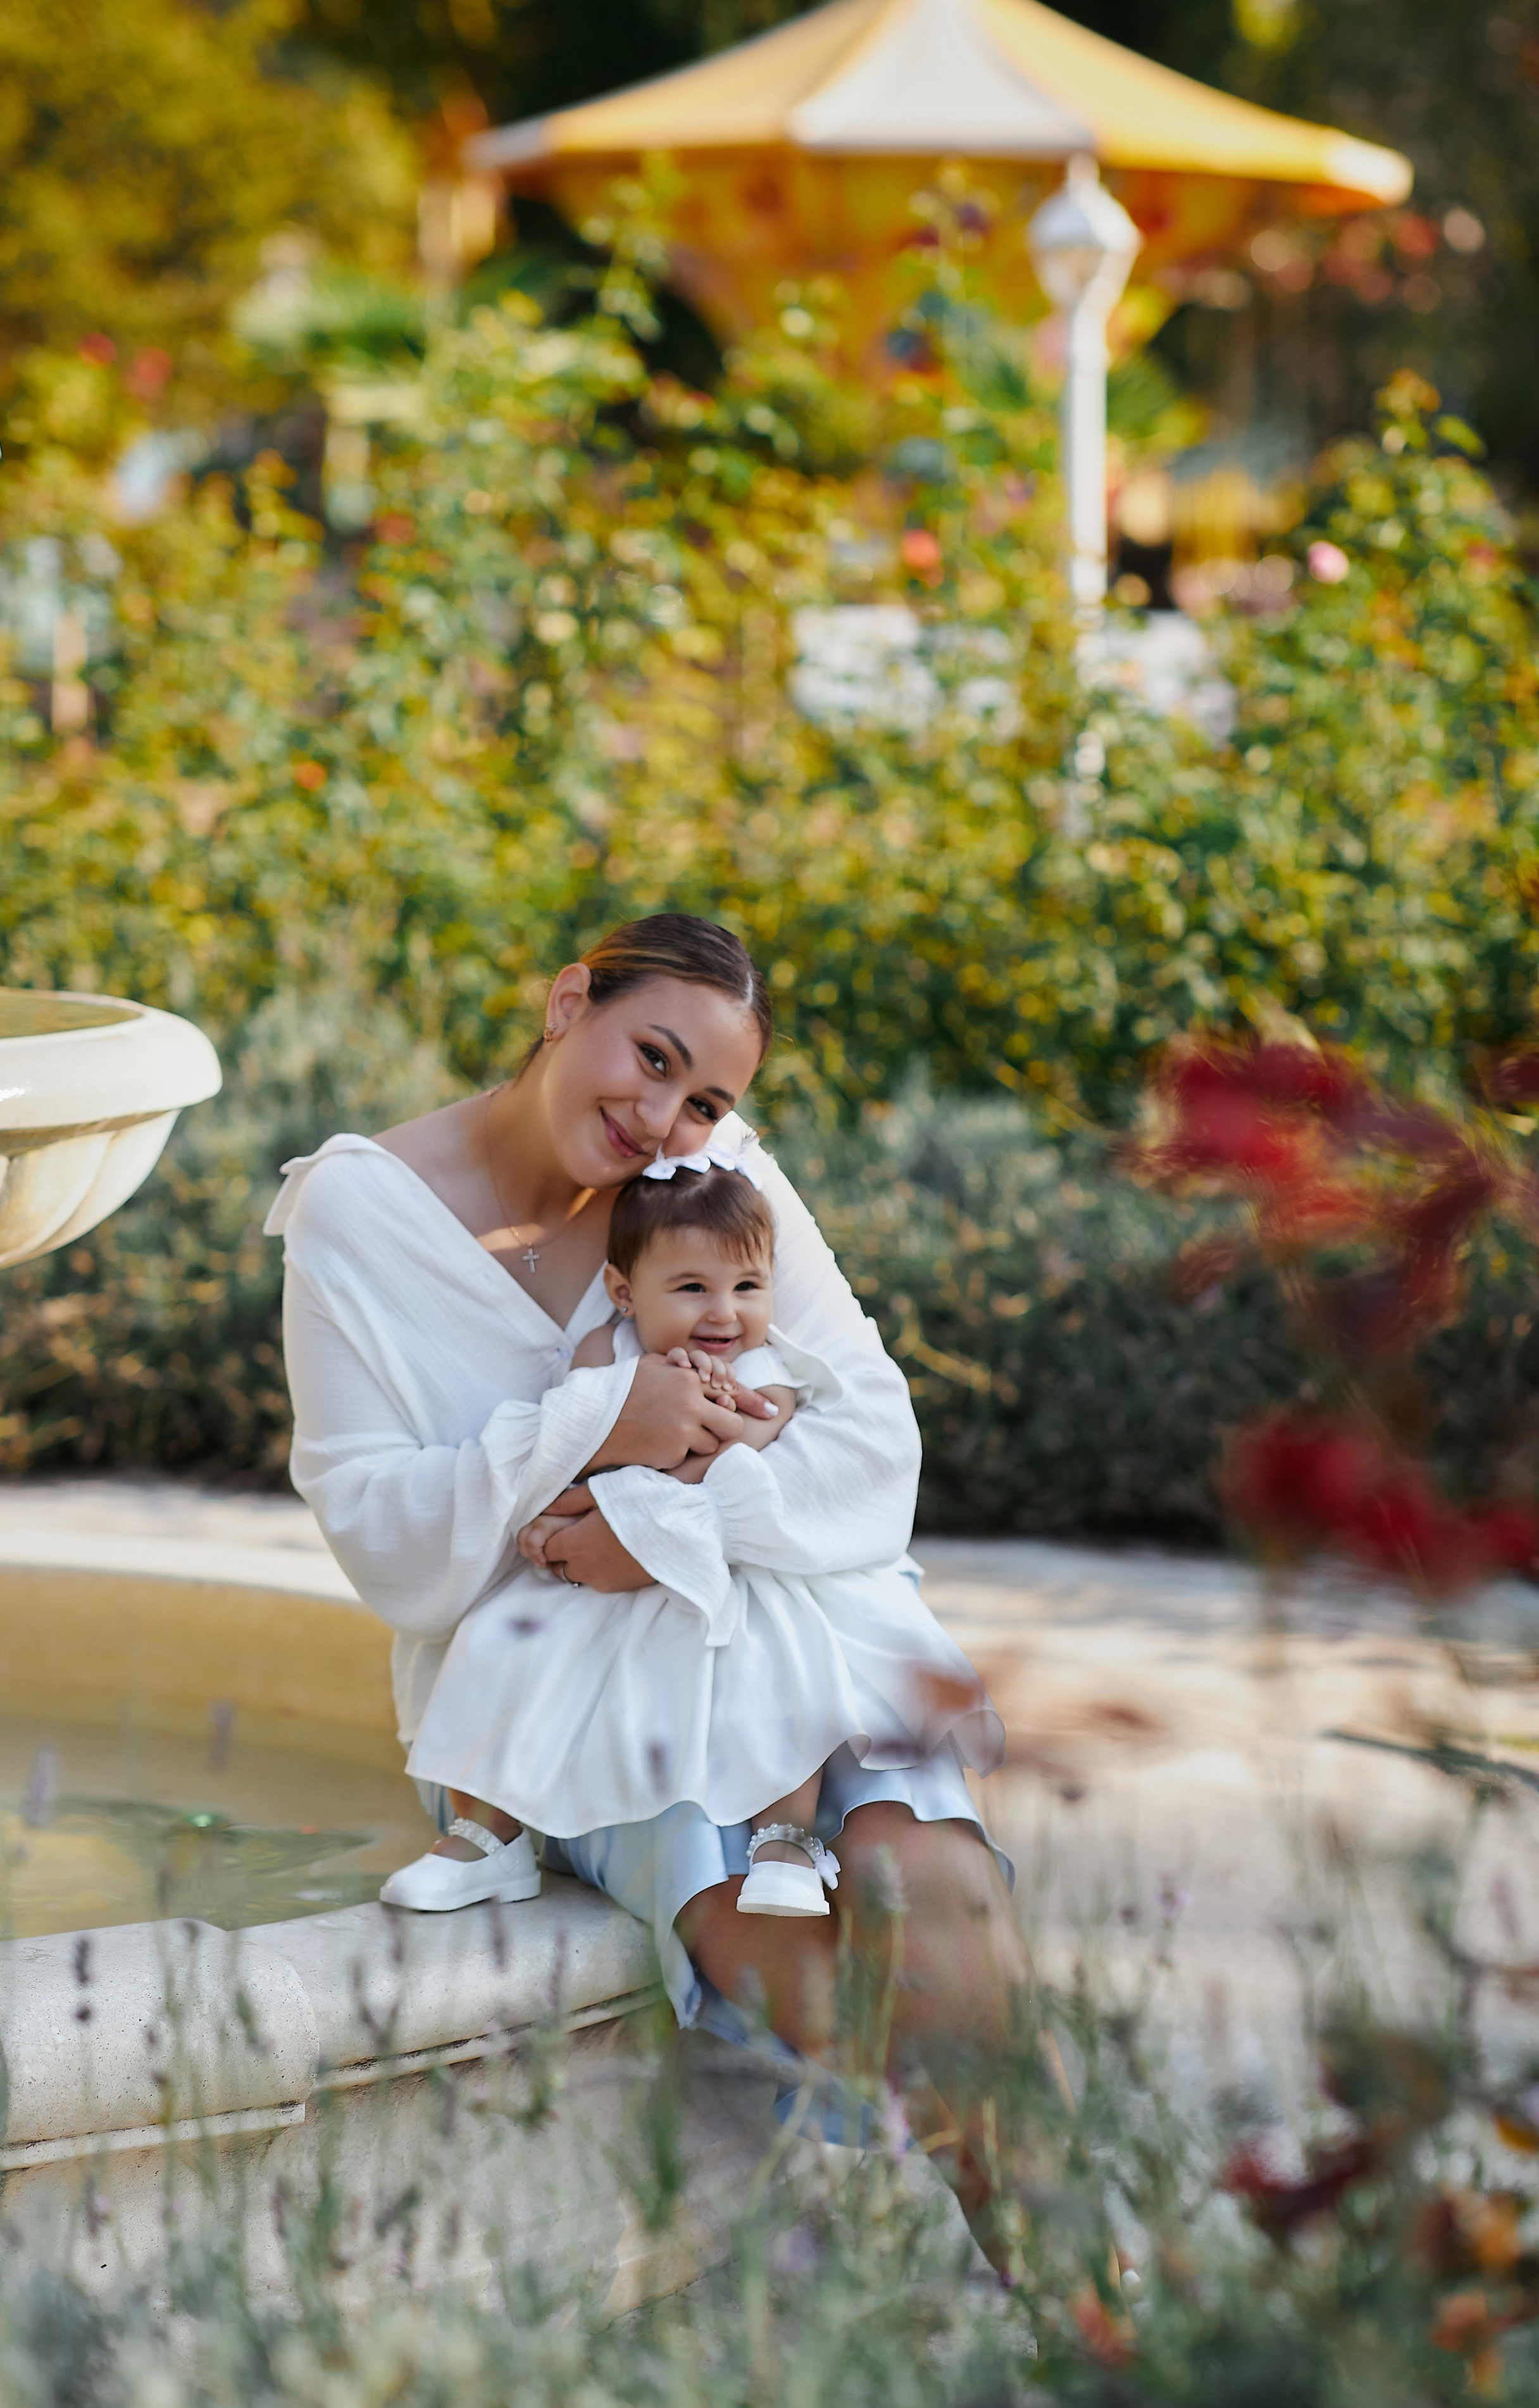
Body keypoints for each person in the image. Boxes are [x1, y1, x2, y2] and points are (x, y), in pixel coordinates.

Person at [265, 913, 1028, 2254]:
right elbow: (384, 1543)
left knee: (927, 1879)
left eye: (707, 1096)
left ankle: (1100, 2291)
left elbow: (872, 1441)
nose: (663, 1115)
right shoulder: (357, 1216)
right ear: (569, 1003)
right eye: (651, 1056)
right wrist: (594, 1424)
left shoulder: (714, 1179)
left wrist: (678, 1531)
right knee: (773, 1944)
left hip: (799, 1624)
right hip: (556, 1683)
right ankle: (1011, 2244)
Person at [395, 1146, 1004, 1917]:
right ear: (624, 1292)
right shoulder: (603, 1353)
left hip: (716, 1561)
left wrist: (633, 1505)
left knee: (780, 1665)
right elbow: (573, 1443)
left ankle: (783, 1840)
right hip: (611, 1574)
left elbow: (747, 1449)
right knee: (501, 1639)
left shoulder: (758, 1368)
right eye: (691, 1288)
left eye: (747, 1287)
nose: (724, 1313)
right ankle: (489, 1838)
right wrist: (560, 1508)